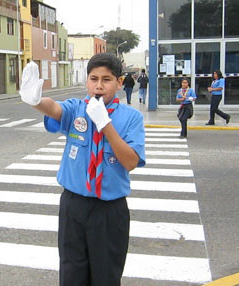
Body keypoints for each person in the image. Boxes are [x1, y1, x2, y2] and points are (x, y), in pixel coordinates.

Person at [19, 53, 146, 286]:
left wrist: (105, 125)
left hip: (109, 210)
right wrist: (35, 100)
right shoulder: (77, 108)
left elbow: (130, 162)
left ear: (119, 83)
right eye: (93, 78)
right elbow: (55, 109)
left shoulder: (131, 118)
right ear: (87, 81)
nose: (99, 86)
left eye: (106, 79)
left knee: (106, 277)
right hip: (74, 206)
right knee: (71, 274)